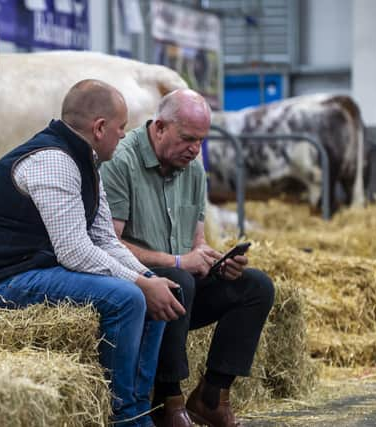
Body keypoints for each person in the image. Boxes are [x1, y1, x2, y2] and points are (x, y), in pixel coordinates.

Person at [0, 79, 186, 427]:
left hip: (41, 269)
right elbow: (74, 252)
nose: (125, 136)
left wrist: (149, 278)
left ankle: (140, 409)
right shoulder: (55, 161)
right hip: (6, 282)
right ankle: (126, 418)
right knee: (129, 298)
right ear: (99, 128)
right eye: (121, 128)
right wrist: (140, 285)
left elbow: (104, 240)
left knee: (157, 289)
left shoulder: (85, 162)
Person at [99, 88, 275, 427]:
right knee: (177, 281)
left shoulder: (193, 169)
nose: (196, 149)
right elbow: (110, 244)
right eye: (188, 139)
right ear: (160, 127)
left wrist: (215, 261)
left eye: (201, 141)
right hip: (137, 290)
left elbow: (197, 243)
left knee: (256, 286)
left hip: (182, 293)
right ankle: (169, 400)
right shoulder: (121, 162)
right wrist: (179, 263)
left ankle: (212, 395)